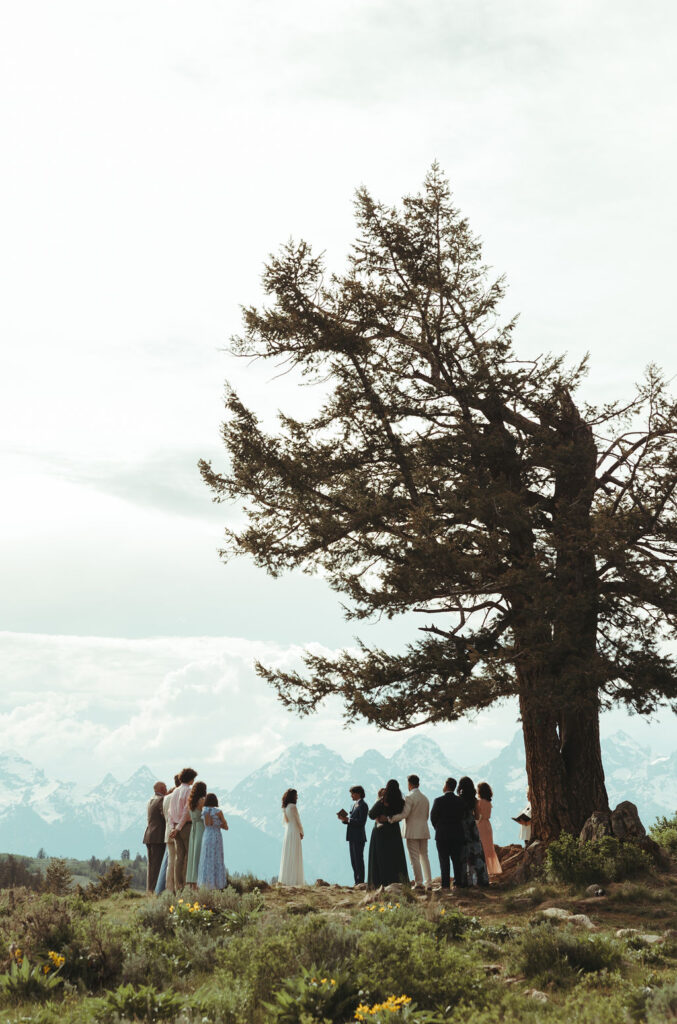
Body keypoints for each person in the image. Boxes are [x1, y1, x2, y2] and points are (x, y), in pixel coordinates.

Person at [388, 774, 431, 888]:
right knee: (424, 856)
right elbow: (426, 816)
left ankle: (419, 882)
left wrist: (391, 818)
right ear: (418, 784)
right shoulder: (425, 798)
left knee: (414, 858)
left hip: (412, 831)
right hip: (423, 830)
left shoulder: (409, 797)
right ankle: (429, 882)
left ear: (410, 784)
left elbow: (405, 814)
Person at [367, 779, 409, 888]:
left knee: (380, 857)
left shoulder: (382, 801)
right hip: (394, 831)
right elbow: (401, 816)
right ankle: (397, 881)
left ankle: (379, 883)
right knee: (395, 857)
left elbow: (371, 814)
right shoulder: (401, 802)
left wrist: (378, 798)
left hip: (380, 832)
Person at [430, 777, 465, 890]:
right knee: (456, 860)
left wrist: (438, 828)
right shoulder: (460, 801)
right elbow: (462, 816)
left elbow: (433, 817)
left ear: (446, 786)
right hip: (457, 834)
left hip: (442, 835)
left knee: (444, 860)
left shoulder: (438, 800)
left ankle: (445, 885)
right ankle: (458, 883)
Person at [168, 767, 198, 891]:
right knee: (189, 856)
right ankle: (188, 886)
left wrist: (172, 828)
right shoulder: (189, 791)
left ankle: (178, 886)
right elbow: (186, 811)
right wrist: (179, 827)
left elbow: (170, 812)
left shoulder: (174, 792)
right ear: (190, 778)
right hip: (185, 826)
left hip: (175, 826)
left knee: (179, 857)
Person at [457, 776, 489, 887]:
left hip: (461, 828)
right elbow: (477, 816)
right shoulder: (474, 800)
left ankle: (466, 881)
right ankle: (480, 879)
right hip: (472, 828)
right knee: (476, 853)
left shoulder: (458, 799)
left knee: (464, 855)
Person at [197, 793, 228, 889]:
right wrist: (219, 824)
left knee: (206, 858)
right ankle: (218, 884)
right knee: (217, 858)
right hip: (216, 836)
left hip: (207, 835)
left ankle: (206, 884)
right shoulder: (218, 812)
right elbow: (226, 826)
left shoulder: (204, 811)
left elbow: (208, 823)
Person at [338, 785, 368, 885]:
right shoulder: (353, 805)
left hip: (359, 836)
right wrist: (344, 820)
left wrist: (348, 820)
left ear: (358, 793)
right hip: (351, 836)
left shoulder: (363, 805)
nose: (351, 796)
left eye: (352, 793)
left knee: (359, 859)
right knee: (354, 860)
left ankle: (361, 881)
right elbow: (352, 821)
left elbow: (361, 822)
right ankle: (356, 880)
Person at [143, 781, 167, 892]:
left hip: (149, 835)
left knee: (151, 865)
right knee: (158, 865)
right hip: (158, 836)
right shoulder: (161, 800)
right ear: (162, 789)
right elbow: (165, 816)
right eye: (165, 787)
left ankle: (150, 889)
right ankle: (155, 890)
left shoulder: (150, 800)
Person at [278, 788, 304, 886]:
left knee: (288, 854)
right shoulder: (293, 807)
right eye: (296, 795)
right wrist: (302, 832)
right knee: (295, 854)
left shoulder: (286, 808)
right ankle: (295, 880)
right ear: (293, 796)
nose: (297, 797)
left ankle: (286, 879)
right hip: (294, 831)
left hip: (288, 832)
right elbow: (298, 820)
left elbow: (285, 822)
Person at [185, 781, 208, 890]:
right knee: (200, 856)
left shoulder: (191, 802)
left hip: (193, 830)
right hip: (200, 828)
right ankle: (200, 884)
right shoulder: (202, 801)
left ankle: (192, 883)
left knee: (193, 856)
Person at [476, 781, 502, 875]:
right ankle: (491, 870)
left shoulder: (479, 803)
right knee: (488, 848)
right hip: (487, 825)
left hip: (481, 826)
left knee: (481, 848)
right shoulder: (488, 803)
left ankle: (483, 871)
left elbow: (479, 817)